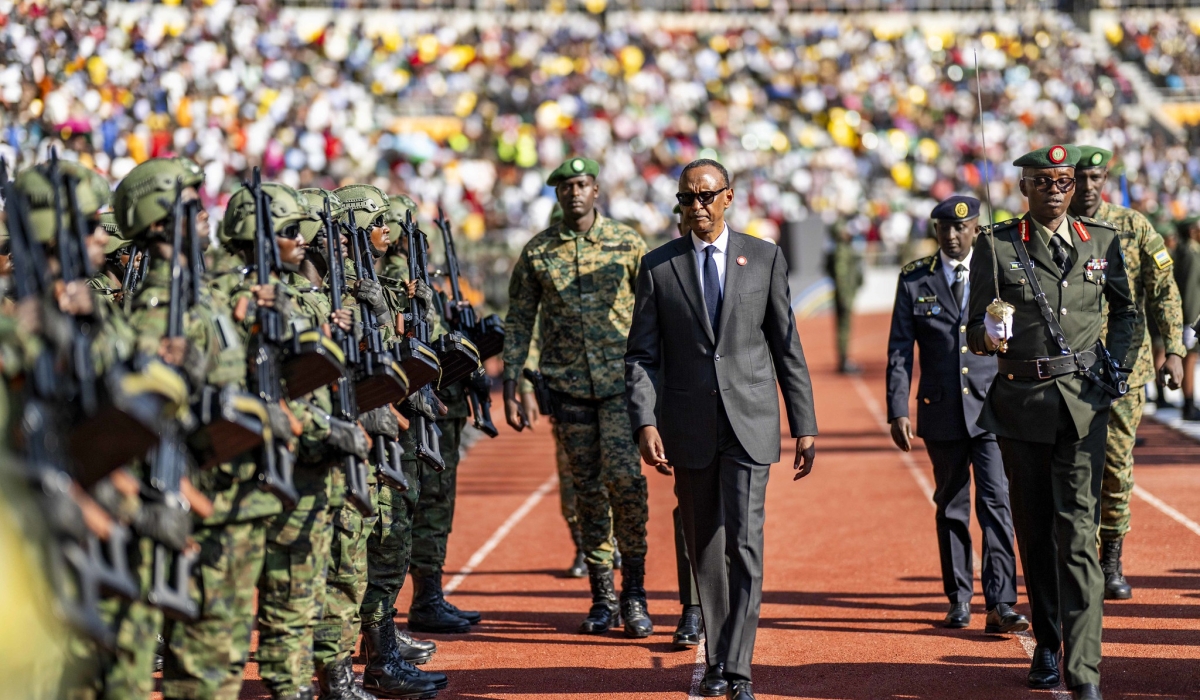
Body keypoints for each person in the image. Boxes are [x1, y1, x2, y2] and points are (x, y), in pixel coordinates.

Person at [625, 158, 818, 700]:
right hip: (687, 426)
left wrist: (804, 421)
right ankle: (717, 651)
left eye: (707, 196)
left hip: (750, 423)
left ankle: (736, 668)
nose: (698, 207)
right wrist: (644, 419)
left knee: (745, 545)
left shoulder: (764, 256)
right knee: (703, 545)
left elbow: (786, 345)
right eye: (687, 199)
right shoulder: (658, 267)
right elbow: (641, 356)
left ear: (729, 197)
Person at [967, 144, 1137, 700]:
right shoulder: (996, 244)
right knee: (1036, 533)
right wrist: (988, 337)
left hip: (1083, 408)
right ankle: (1047, 637)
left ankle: (1084, 668)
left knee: (1078, 537)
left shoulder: (1102, 241)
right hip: (1020, 406)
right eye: (1044, 181)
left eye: (1064, 181)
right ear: (1025, 187)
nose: (1056, 189)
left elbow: (1127, 314)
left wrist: (1115, 374)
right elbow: (973, 331)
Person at [502, 156, 653, 638]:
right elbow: (520, 318)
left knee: (627, 485)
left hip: (619, 387)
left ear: (596, 190)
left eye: (582, 184)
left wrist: (660, 379)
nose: (574, 193)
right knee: (586, 492)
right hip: (567, 389)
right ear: (556, 194)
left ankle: (635, 593)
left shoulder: (627, 243)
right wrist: (513, 380)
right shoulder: (538, 251)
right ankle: (602, 596)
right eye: (565, 186)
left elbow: (653, 313)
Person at [886, 195, 1027, 634]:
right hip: (942, 408)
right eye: (943, 228)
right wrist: (896, 409)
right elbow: (898, 350)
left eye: (961, 229)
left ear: (976, 231)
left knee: (997, 504)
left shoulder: (996, 275)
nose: (951, 236)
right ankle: (959, 598)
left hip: (991, 408)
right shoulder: (914, 280)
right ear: (935, 231)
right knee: (951, 506)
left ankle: (1001, 602)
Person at [1068, 146, 1185, 600]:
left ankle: (1110, 560)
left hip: (1125, 374)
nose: (1090, 186)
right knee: (1075, 471)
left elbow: (1163, 291)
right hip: (1070, 374)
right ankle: (1076, 557)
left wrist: (1173, 349)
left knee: (1116, 469)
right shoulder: (1054, 228)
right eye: (1082, 177)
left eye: (1098, 177)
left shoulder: (1134, 227)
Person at [826, 218, 863, 374]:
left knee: (844, 327)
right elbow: (841, 276)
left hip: (846, 294)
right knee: (844, 328)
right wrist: (844, 297)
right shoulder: (841, 250)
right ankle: (844, 361)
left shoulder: (842, 248)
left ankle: (844, 359)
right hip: (844, 295)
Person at [1172, 216, 1200, 419]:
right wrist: (1189, 322)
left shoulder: (1189, 251)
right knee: (1190, 358)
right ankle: (1188, 403)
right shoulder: (1190, 254)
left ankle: (1189, 402)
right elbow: (1190, 288)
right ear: (1191, 231)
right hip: (1193, 317)